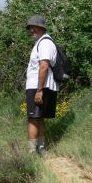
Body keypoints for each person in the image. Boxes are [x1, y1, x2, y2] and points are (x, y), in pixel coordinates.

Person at [25, 15, 59, 157]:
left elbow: (43, 66)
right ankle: (41, 148)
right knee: (39, 118)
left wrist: (39, 90)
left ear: (41, 28)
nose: (31, 30)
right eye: (30, 27)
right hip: (41, 86)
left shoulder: (44, 43)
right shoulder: (42, 42)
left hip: (39, 87)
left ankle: (32, 152)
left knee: (33, 118)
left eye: (34, 27)